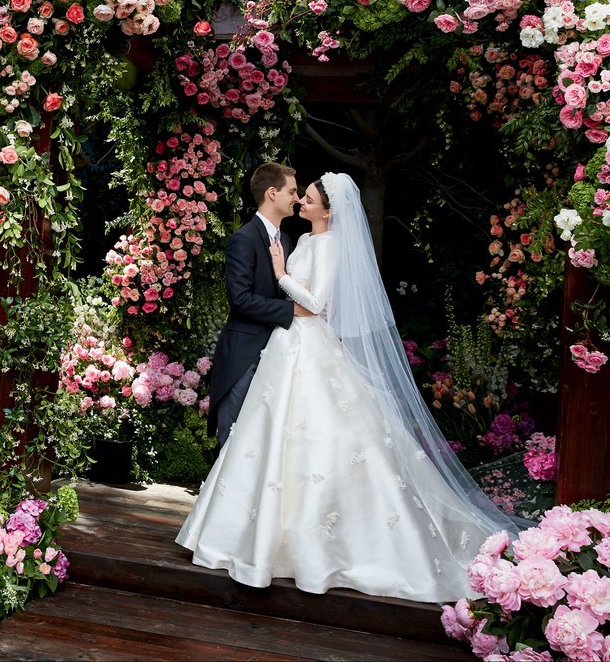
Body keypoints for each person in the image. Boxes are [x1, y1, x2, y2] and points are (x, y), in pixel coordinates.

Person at [177, 172, 526, 602]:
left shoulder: (326, 245)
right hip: (284, 346)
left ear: (328, 211)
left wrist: (282, 275)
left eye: (307, 198)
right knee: (266, 437)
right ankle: (254, 537)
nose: (300, 202)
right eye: (297, 194)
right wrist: (288, 290)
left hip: (307, 345)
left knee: (322, 437)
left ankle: (325, 547)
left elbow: (315, 303)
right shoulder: (298, 240)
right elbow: (271, 300)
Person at [207, 162, 310, 447]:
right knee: (233, 434)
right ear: (272, 193)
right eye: (292, 192)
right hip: (245, 352)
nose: (297, 198)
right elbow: (240, 299)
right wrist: (292, 310)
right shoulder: (243, 238)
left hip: (279, 352)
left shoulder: (287, 240)